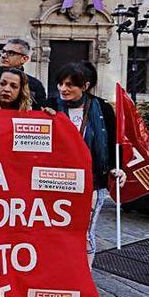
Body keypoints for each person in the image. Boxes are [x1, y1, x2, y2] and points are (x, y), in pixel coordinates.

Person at [43, 62, 125, 266]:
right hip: (54, 182)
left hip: (92, 182)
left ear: (84, 86)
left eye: (70, 85)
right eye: (61, 83)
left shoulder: (103, 108)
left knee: (85, 232)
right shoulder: (49, 106)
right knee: (54, 233)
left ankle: (83, 277)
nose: (63, 89)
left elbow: (114, 141)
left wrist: (117, 167)